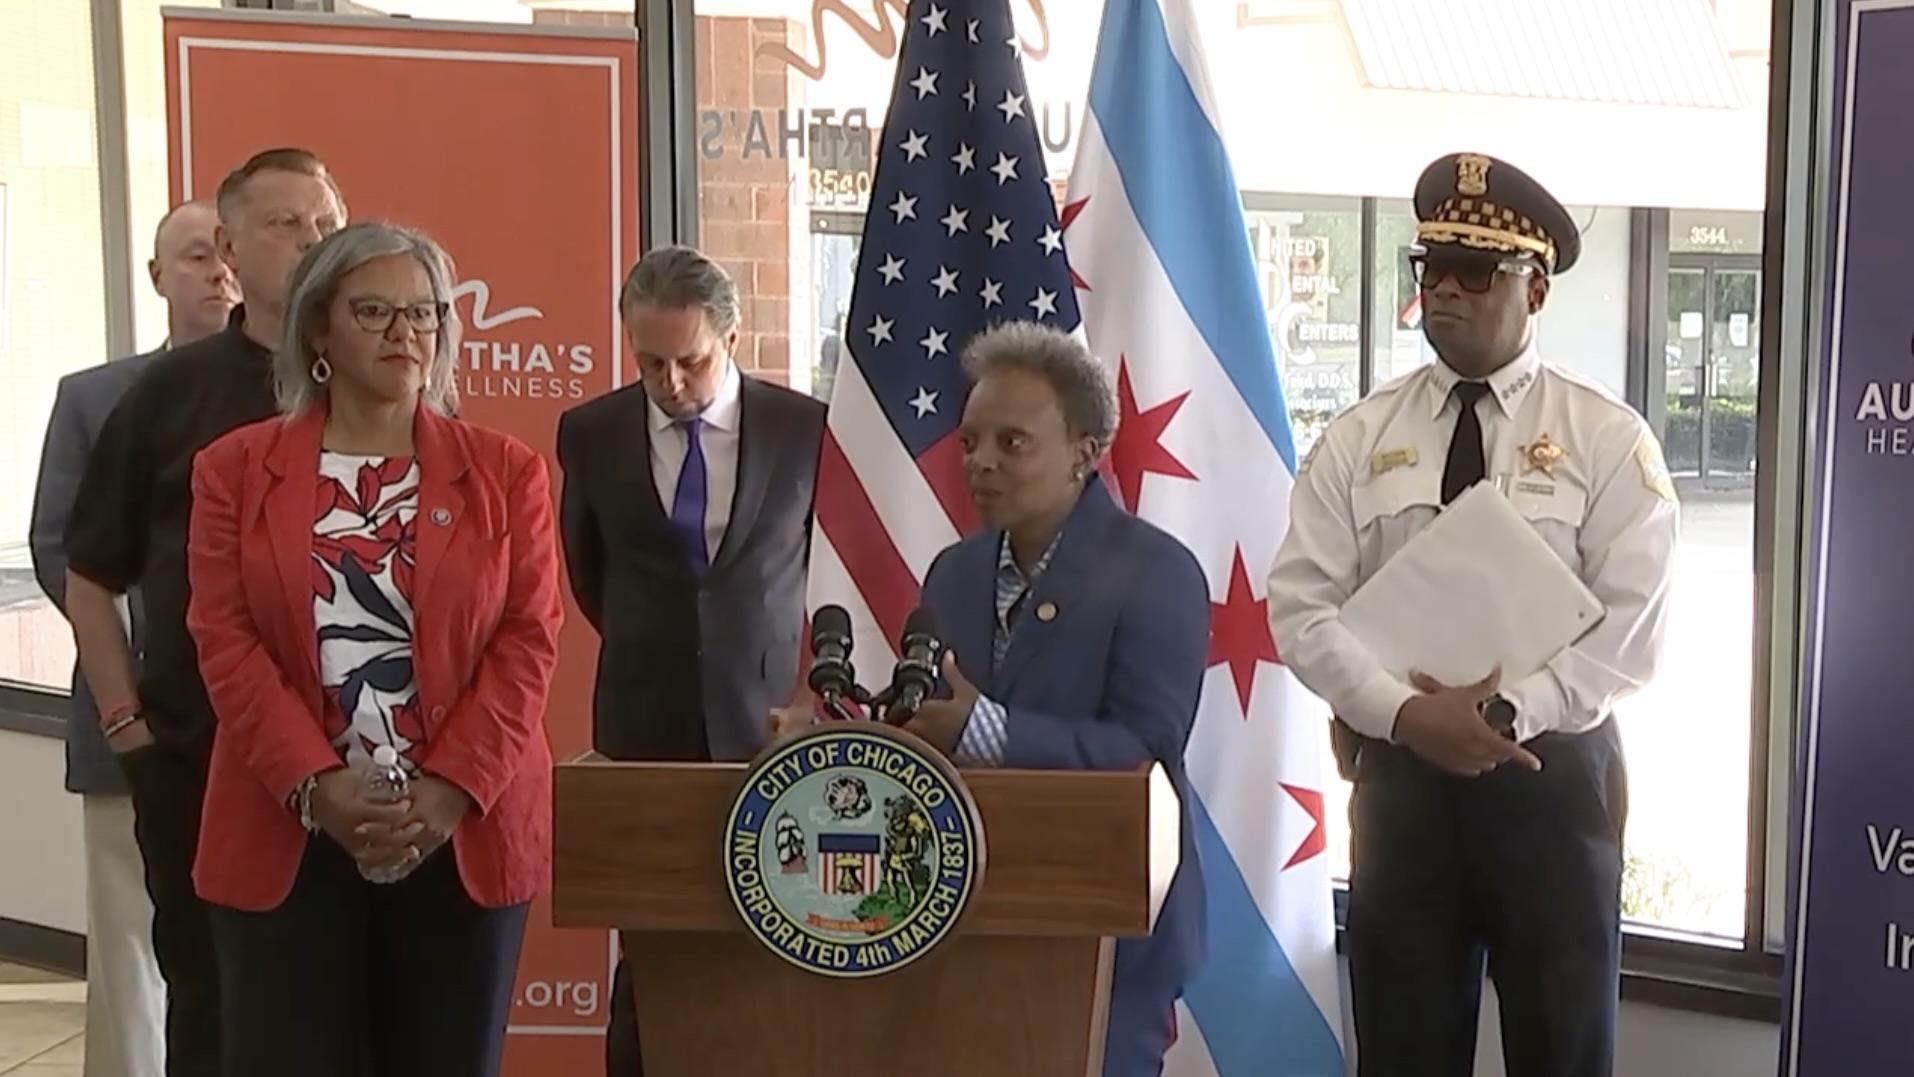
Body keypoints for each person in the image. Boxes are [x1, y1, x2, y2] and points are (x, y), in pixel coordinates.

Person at [1266, 152, 1679, 1077]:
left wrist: (1501, 713)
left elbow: (1629, 628)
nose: (1445, 291)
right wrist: (1412, 715)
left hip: (1551, 780)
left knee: (1562, 1051)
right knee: (1404, 1051)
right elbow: (1300, 605)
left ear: (1535, 289)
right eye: (1432, 268)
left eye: (1476, 272)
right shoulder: (1359, 436)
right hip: (1405, 781)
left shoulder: (1604, 438)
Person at [183, 221, 561, 1077]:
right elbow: (225, 639)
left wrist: (452, 787)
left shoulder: (506, 471)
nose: (407, 333)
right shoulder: (233, 470)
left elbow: (529, 639)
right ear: (318, 328)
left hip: (458, 833)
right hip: (288, 831)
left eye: (424, 313)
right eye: (376, 311)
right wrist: (319, 788)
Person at [839, 321, 1207, 1077]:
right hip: (960, 923)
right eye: (971, 441)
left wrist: (985, 729)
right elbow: (935, 721)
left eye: (1012, 443)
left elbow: (1146, 745)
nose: (979, 463)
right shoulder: (954, 572)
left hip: (1109, 936)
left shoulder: (1155, 571)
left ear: (1085, 448)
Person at [60, 147, 346, 1077]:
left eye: (327, 224)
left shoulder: (377, 384)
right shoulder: (167, 396)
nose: (312, 242)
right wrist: (128, 728)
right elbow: (90, 574)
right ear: (228, 246)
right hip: (196, 759)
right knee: (211, 1014)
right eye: (286, 223)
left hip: (356, 769)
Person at [556, 243, 826, 1075]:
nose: (670, 382)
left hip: (769, 729)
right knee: (654, 962)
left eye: (690, 360)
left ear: (733, 336)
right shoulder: (592, 432)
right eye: (649, 361)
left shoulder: (804, 429)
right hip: (645, 727)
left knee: (776, 950)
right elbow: (588, 572)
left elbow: (826, 566)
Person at [29, 198, 236, 1077]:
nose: (218, 271)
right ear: (158, 278)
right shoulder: (95, 396)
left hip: (259, 731)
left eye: (226, 254)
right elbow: (60, 551)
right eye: (195, 256)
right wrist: (138, 680)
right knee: (131, 948)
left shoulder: (301, 393)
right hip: (133, 720)